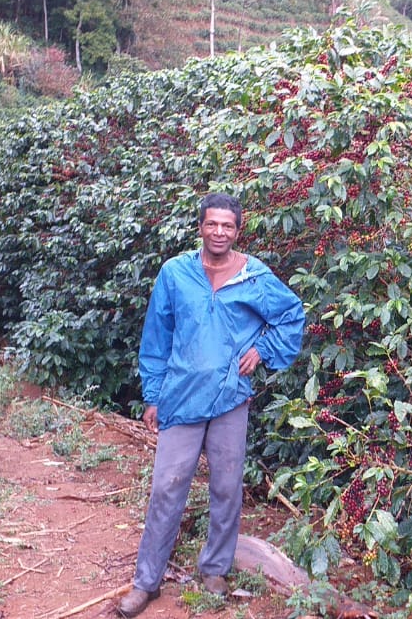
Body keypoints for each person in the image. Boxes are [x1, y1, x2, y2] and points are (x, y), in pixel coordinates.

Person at [117, 193, 305, 617]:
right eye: (212, 224)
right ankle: (146, 582)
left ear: (238, 230)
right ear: (200, 227)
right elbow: (157, 336)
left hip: (229, 399)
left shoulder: (254, 277)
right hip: (180, 399)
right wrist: (152, 396)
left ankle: (215, 570)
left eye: (228, 226)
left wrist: (263, 350)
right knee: (166, 489)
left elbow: (291, 314)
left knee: (225, 487)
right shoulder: (175, 273)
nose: (219, 232)